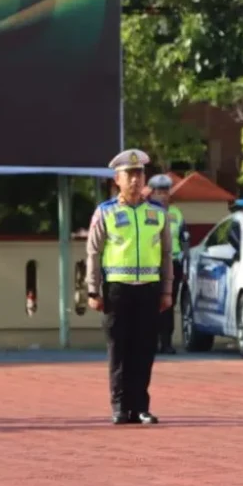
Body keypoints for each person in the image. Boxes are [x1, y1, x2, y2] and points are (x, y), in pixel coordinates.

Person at [85, 149, 173, 425]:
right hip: (117, 289)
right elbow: (93, 252)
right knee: (120, 349)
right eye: (130, 175)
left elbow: (166, 254)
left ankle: (141, 406)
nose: (136, 180)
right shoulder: (106, 212)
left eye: (139, 174)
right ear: (117, 179)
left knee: (145, 348)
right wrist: (92, 289)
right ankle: (121, 407)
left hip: (148, 288)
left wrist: (167, 290)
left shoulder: (157, 213)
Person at [147, 174, 189, 354]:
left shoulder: (176, 213)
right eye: (159, 191)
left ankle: (166, 341)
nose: (163, 195)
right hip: (152, 265)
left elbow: (185, 240)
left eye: (165, 191)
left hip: (173, 264)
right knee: (151, 303)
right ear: (152, 193)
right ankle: (152, 341)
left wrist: (186, 264)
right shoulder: (147, 212)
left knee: (168, 303)